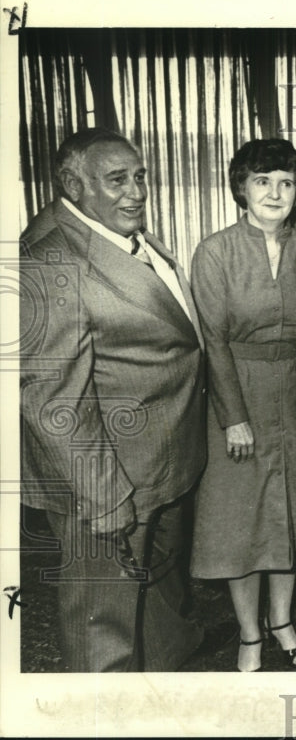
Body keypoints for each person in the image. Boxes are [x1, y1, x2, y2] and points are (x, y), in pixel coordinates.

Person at [19, 127, 206, 671]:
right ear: (73, 186)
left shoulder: (118, 231)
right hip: (105, 478)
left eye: (141, 176)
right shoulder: (49, 260)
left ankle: (165, 675)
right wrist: (105, 498)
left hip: (158, 457)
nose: (137, 191)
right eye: (118, 180)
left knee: (157, 591)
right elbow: (53, 399)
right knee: (104, 625)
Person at [189, 138, 296, 672]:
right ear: (241, 188)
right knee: (242, 522)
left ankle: (282, 621)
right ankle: (250, 633)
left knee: (292, 518)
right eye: (262, 182)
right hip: (239, 392)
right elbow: (212, 341)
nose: (275, 193)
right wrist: (234, 418)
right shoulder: (215, 252)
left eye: (286, 183)